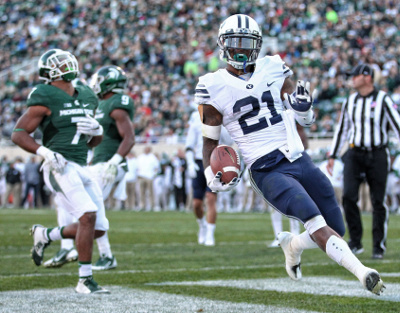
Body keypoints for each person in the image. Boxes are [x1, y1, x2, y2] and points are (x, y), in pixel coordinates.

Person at [195, 14, 385, 295]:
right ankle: (363, 273)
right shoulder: (212, 85)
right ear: (223, 45)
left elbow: (304, 117)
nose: (241, 50)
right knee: (314, 219)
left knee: (336, 226)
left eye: (247, 43)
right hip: (265, 167)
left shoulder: (272, 66)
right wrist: (212, 176)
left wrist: (305, 110)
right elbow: (209, 144)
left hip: (297, 157)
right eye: (235, 42)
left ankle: (293, 245)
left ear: (257, 45)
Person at [11, 48, 109, 294]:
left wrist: (98, 132)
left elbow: (91, 143)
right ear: (48, 71)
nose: (66, 63)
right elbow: (19, 133)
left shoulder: (86, 94)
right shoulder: (45, 95)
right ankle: (85, 280)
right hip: (58, 166)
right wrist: (43, 152)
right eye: (59, 62)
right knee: (87, 214)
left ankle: (46, 235)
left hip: (80, 164)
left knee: (99, 227)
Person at [44, 65, 136, 271]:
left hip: (110, 164)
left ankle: (67, 246)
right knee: (81, 206)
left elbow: (129, 137)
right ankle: (100, 254)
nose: (96, 83)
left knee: (81, 207)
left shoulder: (116, 103)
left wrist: (115, 160)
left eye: (100, 79)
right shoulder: (101, 103)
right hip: (99, 163)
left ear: (109, 81)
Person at [327, 64, 400, 260]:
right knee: (349, 196)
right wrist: (333, 155)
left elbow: (397, 125)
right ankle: (356, 242)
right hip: (354, 153)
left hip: (377, 154)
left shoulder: (383, 99)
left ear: (367, 77)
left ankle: (378, 246)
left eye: (356, 75)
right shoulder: (350, 101)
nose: (352, 79)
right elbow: (342, 129)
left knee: (378, 201)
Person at [185, 110, 233, 246]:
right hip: (200, 161)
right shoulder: (195, 116)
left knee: (211, 199)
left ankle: (210, 234)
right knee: (196, 203)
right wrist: (190, 163)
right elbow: (189, 144)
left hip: (215, 162)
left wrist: (218, 123)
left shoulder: (220, 115)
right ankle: (202, 226)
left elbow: (228, 140)